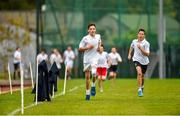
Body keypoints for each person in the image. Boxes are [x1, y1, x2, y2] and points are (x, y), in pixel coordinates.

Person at [79, 23, 101, 100]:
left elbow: (99, 44)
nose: (92, 30)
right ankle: (87, 93)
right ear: (88, 30)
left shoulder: (98, 36)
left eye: (93, 29)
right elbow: (80, 49)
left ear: (95, 30)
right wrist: (87, 47)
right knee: (87, 77)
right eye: (91, 29)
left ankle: (93, 85)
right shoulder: (85, 38)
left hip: (95, 58)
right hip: (87, 59)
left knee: (94, 73)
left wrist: (99, 48)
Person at [128, 28, 150, 97]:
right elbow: (131, 47)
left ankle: (142, 86)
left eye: (142, 34)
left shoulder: (146, 43)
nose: (141, 35)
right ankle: (139, 89)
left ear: (144, 36)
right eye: (140, 34)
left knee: (142, 76)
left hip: (145, 62)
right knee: (139, 73)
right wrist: (129, 54)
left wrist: (141, 48)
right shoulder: (134, 41)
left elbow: (147, 54)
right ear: (137, 34)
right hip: (136, 59)